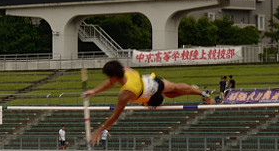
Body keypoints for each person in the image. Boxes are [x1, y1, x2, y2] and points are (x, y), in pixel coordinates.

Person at [84, 61, 215, 145]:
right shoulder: (126, 70)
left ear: (114, 76)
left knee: (169, 94)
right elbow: (110, 82)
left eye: (109, 77)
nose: (108, 80)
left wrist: (100, 130)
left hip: (152, 99)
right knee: (174, 89)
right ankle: (204, 94)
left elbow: (115, 116)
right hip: (152, 82)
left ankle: (201, 94)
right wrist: (94, 91)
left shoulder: (125, 93)